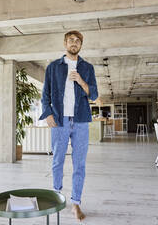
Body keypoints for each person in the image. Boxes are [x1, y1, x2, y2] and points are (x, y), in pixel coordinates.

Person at [39, 30, 98, 221]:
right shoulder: (53, 67)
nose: (74, 43)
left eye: (78, 40)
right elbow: (45, 94)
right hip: (59, 120)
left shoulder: (87, 68)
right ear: (65, 43)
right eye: (71, 40)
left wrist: (81, 81)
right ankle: (56, 197)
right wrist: (47, 113)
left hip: (80, 120)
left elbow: (94, 95)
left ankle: (76, 204)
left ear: (81, 45)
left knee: (79, 164)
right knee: (57, 161)